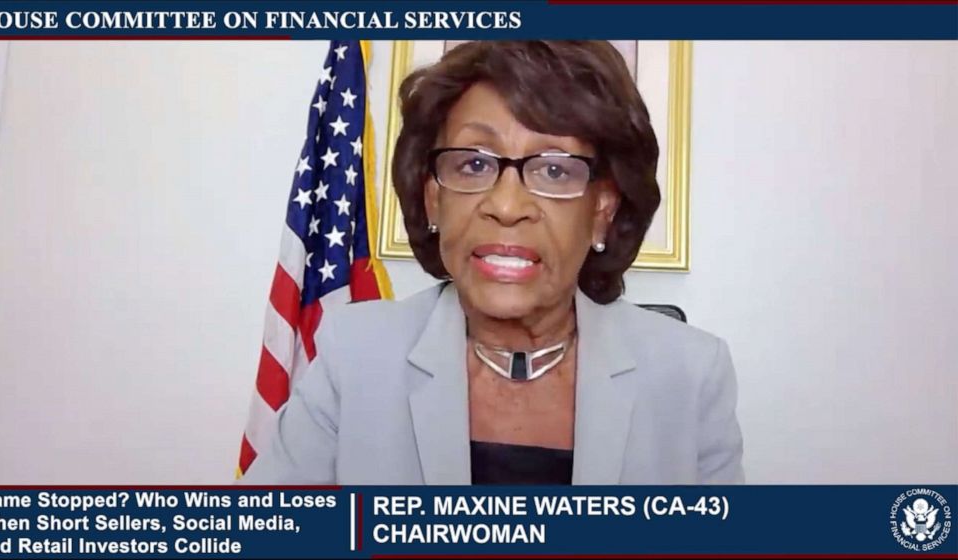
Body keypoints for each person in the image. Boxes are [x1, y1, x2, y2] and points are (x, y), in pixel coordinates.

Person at [240, 41, 743, 485]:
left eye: (553, 169)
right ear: (434, 199)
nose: (506, 206)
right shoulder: (353, 355)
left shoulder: (691, 375)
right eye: (474, 163)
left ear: (602, 213)